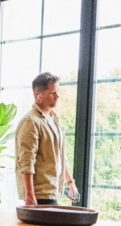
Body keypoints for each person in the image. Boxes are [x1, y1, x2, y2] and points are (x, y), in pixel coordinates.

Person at [15, 72, 79, 206]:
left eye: (58, 92)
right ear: (38, 95)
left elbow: (62, 156)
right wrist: (30, 196)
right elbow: (26, 162)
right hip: (39, 195)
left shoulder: (55, 120)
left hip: (53, 191)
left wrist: (70, 182)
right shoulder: (30, 122)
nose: (57, 96)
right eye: (52, 93)